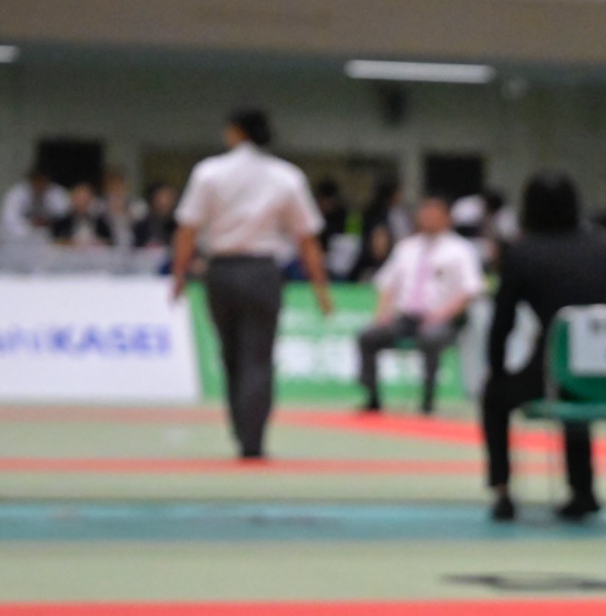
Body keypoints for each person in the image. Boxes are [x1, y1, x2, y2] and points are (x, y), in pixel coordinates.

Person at [169, 108, 332, 462]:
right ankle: (253, 439)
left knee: (231, 355)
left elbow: (187, 228)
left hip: (221, 271)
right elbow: (306, 237)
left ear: (235, 132)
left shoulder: (209, 172)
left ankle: (240, 427)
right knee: (258, 356)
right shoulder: (286, 176)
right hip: (262, 272)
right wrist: (320, 287)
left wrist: (178, 274)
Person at [481, 171, 606, 523]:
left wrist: (497, 370)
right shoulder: (602, 246)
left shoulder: (521, 252)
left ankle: (503, 491)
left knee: (495, 397)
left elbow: (502, 322)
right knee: (576, 378)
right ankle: (583, 490)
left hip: (556, 373)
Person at [355, 194, 484, 415]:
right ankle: (372, 397)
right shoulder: (406, 247)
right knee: (368, 336)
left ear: (447, 218)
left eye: (434, 214)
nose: (428, 218)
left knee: (431, 338)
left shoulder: (460, 249)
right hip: (406, 317)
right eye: (425, 213)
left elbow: (470, 289)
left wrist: (443, 314)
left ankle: (427, 401)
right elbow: (387, 284)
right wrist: (381, 314)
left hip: (443, 318)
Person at [0, 167, 67, 238]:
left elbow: (64, 214)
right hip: (20, 235)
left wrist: (47, 222)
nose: (40, 185)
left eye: (43, 182)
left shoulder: (56, 193)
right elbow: (8, 218)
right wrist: (29, 225)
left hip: (49, 235)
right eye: (37, 182)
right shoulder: (17, 194)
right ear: (31, 181)